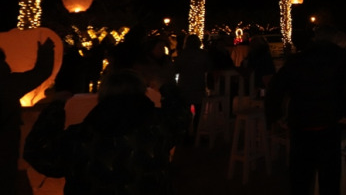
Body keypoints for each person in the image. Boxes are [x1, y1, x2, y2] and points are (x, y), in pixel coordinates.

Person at [23, 68, 190, 195]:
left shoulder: (81, 136)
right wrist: (165, 86)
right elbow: (181, 115)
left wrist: (55, 107)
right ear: (141, 91)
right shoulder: (159, 126)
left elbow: (39, 152)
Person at [265, 25, 346, 195]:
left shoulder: (297, 60)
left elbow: (275, 87)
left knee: (300, 177)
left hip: (301, 124)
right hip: (328, 123)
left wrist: (276, 115)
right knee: (329, 178)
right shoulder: (340, 57)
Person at [0, 37, 55, 195]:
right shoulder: (10, 83)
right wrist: (46, 53)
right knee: (6, 174)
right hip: (7, 137)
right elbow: (40, 73)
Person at [173, 34, 213, 138]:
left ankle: (186, 134)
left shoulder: (182, 54)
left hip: (184, 85)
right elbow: (208, 68)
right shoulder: (203, 54)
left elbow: (176, 69)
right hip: (198, 85)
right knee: (199, 112)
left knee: (185, 112)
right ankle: (196, 133)